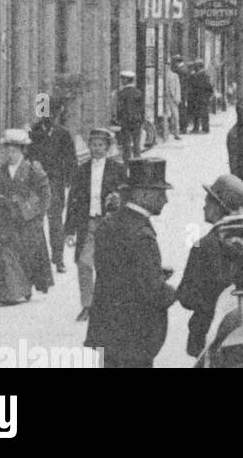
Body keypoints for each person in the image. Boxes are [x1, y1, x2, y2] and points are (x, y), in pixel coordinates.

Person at [85, 158, 178, 369]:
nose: (165, 200)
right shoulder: (142, 234)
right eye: (160, 193)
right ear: (143, 194)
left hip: (106, 330)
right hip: (134, 338)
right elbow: (152, 290)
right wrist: (174, 292)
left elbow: (116, 270)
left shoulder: (108, 224)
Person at [177, 174, 243, 359]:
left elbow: (186, 297)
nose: (203, 207)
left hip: (207, 334)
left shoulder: (202, 246)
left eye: (208, 202)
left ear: (219, 207)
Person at [0, 129, 54, 306]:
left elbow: (45, 194)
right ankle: (5, 295)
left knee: (25, 257)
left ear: (23, 151)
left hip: (26, 221)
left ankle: (24, 288)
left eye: (15, 150)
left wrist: (38, 215)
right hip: (5, 220)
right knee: (4, 255)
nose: (11, 154)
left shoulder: (33, 169)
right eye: (8, 150)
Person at [65, 125, 127, 323]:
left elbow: (127, 196)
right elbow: (73, 200)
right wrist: (69, 231)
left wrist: (118, 200)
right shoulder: (81, 170)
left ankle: (109, 306)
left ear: (107, 147)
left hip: (109, 224)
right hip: (88, 223)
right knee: (84, 263)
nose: (96, 149)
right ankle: (87, 305)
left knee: (109, 265)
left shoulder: (117, 169)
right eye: (93, 145)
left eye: (100, 145)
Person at [28, 100, 77, 272]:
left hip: (56, 182)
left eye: (53, 114)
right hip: (36, 183)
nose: (49, 117)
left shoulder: (63, 134)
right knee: (36, 220)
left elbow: (71, 159)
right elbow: (27, 156)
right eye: (45, 113)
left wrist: (70, 181)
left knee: (55, 220)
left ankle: (58, 258)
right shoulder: (33, 133)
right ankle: (38, 262)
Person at [114, 71, 144, 159]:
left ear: (127, 80)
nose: (121, 81)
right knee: (136, 144)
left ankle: (126, 165)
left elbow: (119, 109)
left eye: (123, 79)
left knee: (126, 145)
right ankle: (137, 165)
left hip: (126, 122)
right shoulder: (139, 92)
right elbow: (142, 109)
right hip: (137, 121)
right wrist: (141, 120)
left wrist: (119, 120)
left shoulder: (122, 94)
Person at [189, 62, 213, 133]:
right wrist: (208, 97)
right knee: (203, 114)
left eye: (196, 67)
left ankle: (199, 128)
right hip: (202, 98)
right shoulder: (205, 75)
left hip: (199, 98)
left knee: (198, 113)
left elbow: (194, 86)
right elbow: (210, 87)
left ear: (199, 67)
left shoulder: (199, 75)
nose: (195, 68)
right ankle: (204, 128)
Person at [164, 60, 183, 140]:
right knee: (166, 116)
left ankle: (176, 133)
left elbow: (178, 88)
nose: (166, 67)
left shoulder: (174, 75)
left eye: (167, 65)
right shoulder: (161, 76)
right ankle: (166, 133)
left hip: (173, 99)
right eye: (165, 65)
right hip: (164, 98)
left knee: (175, 116)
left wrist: (177, 99)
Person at [175, 59, 192, 134]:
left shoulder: (180, 70)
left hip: (181, 93)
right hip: (184, 93)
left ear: (177, 62)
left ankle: (183, 128)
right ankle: (184, 127)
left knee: (181, 110)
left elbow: (180, 83)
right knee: (183, 109)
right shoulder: (185, 69)